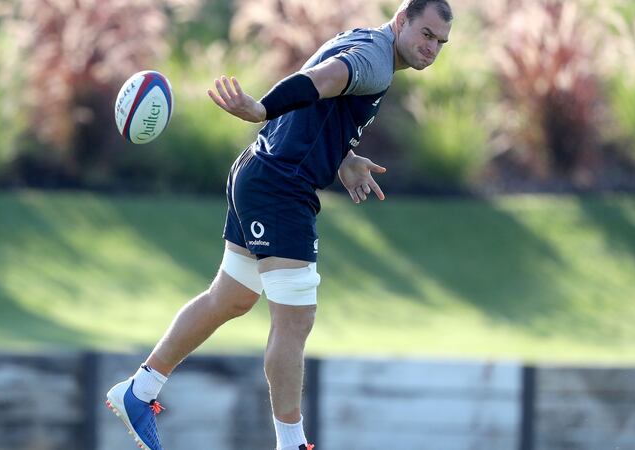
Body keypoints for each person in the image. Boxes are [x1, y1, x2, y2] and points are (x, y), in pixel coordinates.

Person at [105, 1, 453, 449]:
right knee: (295, 322)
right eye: (426, 34)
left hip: (261, 174)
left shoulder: (364, 41)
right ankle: (292, 444)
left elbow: (318, 107)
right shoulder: (375, 61)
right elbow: (320, 81)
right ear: (402, 20)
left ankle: (140, 391)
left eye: (440, 43)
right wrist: (262, 108)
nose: (431, 48)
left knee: (228, 298)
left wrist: (342, 158)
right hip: (280, 189)